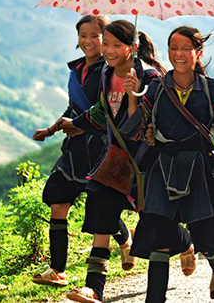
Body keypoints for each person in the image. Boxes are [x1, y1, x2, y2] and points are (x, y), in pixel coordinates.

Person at [119, 25, 214, 302]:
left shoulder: (208, 87)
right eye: (173, 48)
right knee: (158, 233)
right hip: (162, 168)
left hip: (198, 168)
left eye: (185, 49)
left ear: (198, 53)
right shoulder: (155, 88)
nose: (178, 54)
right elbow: (136, 129)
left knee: (204, 236)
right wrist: (133, 95)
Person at [58, 19, 168, 303]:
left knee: (153, 220)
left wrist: (134, 97)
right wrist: (73, 123)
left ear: (131, 47)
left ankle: (187, 243)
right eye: (105, 43)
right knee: (101, 211)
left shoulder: (152, 78)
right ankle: (94, 287)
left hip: (145, 160)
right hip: (116, 157)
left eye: (115, 45)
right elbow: (101, 111)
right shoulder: (107, 74)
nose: (107, 49)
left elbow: (142, 125)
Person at [31, 15, 136, 288]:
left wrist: (79, 125)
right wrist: (51, 130)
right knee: (57, 200)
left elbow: (105, 112)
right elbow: (72, 110)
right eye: (83, 35)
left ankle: (124, 239)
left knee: (100, 208)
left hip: (100, 151)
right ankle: (57, 270)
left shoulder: (112, 72)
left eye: (95, 36)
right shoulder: (76, 71)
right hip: (75, 151)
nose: (88, 41)